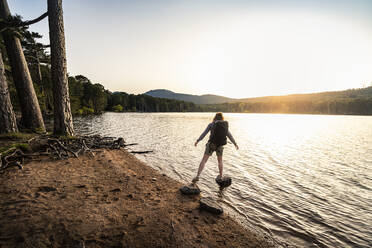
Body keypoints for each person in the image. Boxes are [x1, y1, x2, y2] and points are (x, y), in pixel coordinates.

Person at [192, 112, 239, 183]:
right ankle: (220, 176)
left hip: (211, 145)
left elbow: (204, 134)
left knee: (204, 160)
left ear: (215, 117)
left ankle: (198, 176)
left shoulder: (211, 124)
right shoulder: (224, 126)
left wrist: (198, 141)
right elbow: (229, 135)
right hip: (220, 145)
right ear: (222, 118)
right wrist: (235, 143)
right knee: (220, 161)